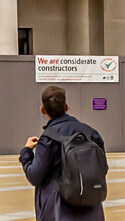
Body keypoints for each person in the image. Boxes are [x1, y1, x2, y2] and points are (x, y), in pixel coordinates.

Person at [20, 85, 107, 221]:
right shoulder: (91, 133)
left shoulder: (48, 139)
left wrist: (26, 152)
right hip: (92, 211)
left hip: (58, 212)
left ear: (42, 110)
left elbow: (34, 176)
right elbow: (103, 169)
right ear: (66, 106)